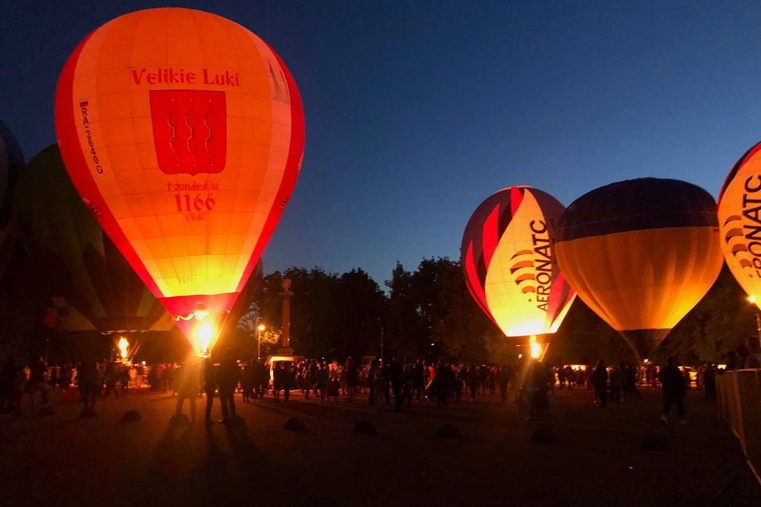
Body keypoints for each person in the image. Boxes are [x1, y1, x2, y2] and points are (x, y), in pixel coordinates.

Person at [660, 356, 688, 425]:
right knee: (679, 404)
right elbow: (680, 380)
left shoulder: (664, 369)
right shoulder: (675, 369)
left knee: (668, 403)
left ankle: (664, 417)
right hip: (676, 389)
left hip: (668, 389)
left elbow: (661, 378)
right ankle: (682, 419)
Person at [216, 350, 239, 423]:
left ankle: (226, 418)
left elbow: (219, 373)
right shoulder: (233, 363)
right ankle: (233, 415)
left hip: (223, 384)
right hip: (230, 384)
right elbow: (238, 373)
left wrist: (218, 382)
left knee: (223, 401)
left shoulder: (223, 362)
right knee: (231, 399)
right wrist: (235, 381)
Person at [175, 358, 201, 423]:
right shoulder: (192, 369)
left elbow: (179, 378)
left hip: (186, 387)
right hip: (188, 387)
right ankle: (192, 417)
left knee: (181, 401)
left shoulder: (184, 369)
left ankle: (178, 416)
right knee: (190, 402)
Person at [202, 358, 217, 425]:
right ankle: (207, 419)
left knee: (209, 403)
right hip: (210, 387)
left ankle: (208, 418)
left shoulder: (206, 370)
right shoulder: (208, 371)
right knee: (209, 403)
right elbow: (210, 379)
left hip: (209, 387)